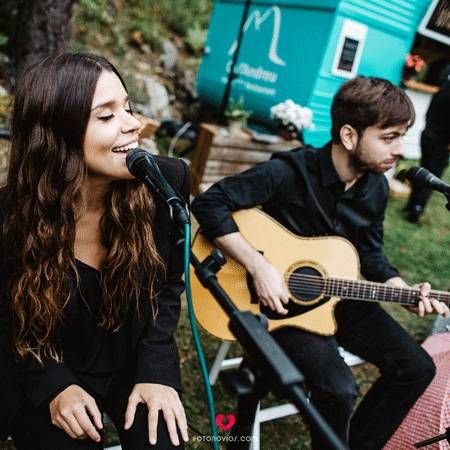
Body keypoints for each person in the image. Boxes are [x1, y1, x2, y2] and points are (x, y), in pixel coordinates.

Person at [192, 76, 450, 450]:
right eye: (389, 137)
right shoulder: (288, 172)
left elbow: (371, 254)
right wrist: (259, 266)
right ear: (349, 136)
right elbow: (208, 204)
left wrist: (401, 290)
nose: (401, 150)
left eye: (402, 136)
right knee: (339, 390)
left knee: (417, 369)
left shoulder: (375, 187)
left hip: (337, 295)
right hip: (279, 306)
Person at [0, 53, 190, 449]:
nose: (133, 125)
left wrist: (157, 371)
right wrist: (54, 384)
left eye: (129, 108)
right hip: (46, 360)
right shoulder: (9, 215)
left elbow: (168, 285)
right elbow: (7, 317)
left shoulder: (166, 182)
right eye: (106, 117)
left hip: (132, 358)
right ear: (56, 135)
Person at [404, 79, 450, 222]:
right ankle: (416, 210)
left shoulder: (444, 87)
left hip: (428, 134)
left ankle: (410, 204)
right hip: (441, 142)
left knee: (423, 173)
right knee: (433, 178)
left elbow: (429, 111)